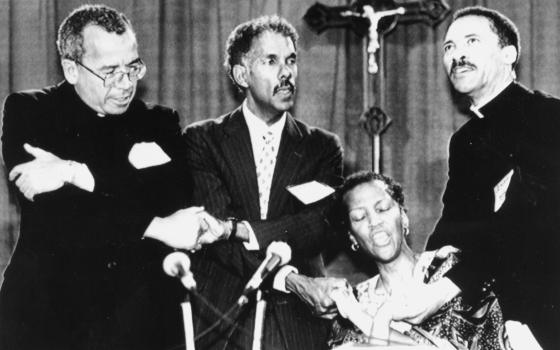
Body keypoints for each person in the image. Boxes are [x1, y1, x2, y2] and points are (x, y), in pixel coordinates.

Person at [0, 4, 217, 350]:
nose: (126, 84)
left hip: (139, 319)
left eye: (133, 67)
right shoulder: (30, 112)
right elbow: (62, 215)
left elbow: (174, 198)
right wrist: (158, 226)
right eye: (110, 71)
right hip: (48, 321)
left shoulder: (159, 122)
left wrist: (75, 172)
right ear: (71, 69)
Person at [184, 15, 346, 350]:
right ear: (241, 74)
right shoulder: (203, 140)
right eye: (271, 61)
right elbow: (215, 236)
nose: (286, 73)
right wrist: (290, 279)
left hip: (300, 322)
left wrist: (240, 229)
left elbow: (321, 226)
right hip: (224, 316)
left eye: (291, 60)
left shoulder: (322, 147)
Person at [424, 6, 560, 349]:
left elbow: (527, 222)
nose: (457, 55)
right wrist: (426, 263)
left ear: (509, 54)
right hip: (496, 314)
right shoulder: (464, 141)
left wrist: (445, 286)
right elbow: (456, 224)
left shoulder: (549, 117)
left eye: (471, 41)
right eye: (449, 48)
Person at [328, 171, 507, 349]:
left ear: (403, 217)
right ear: (352, 236)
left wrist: (366, 318)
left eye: (382, 209)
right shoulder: (350, 307)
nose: (374, 222)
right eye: (359, 217)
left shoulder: (450, 270)